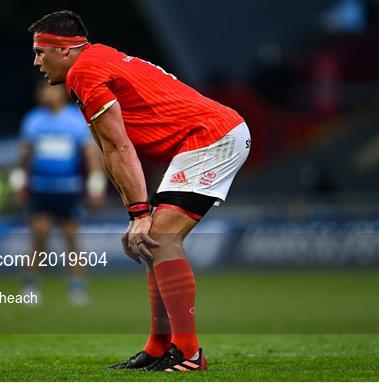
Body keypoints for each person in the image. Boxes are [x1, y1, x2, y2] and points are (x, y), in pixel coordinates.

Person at [28, 10, 251, 371]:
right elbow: (110, 149)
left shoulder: (84, 73)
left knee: (160, 237)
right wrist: (138, 215)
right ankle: (158, 347)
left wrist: (139, 215)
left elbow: (119, 148)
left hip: (212, 138)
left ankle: (189, 353)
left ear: (66, 50)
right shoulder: (95, 63)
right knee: (153, 242)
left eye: (41, 51)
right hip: (202, 139)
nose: (37, 61)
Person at [10, 80, 106, 305]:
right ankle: (30, 284)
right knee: (39, 236)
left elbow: (90, 156)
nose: (44, 93)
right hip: (41, 188)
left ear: (61, 93)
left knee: (71, 238)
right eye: (42, 90)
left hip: (68, 189)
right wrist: (18, 182)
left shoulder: (74, 120)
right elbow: (24, 155)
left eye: (49, 89)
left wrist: (96, 184)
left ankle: (77, 287)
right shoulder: (34, 120)